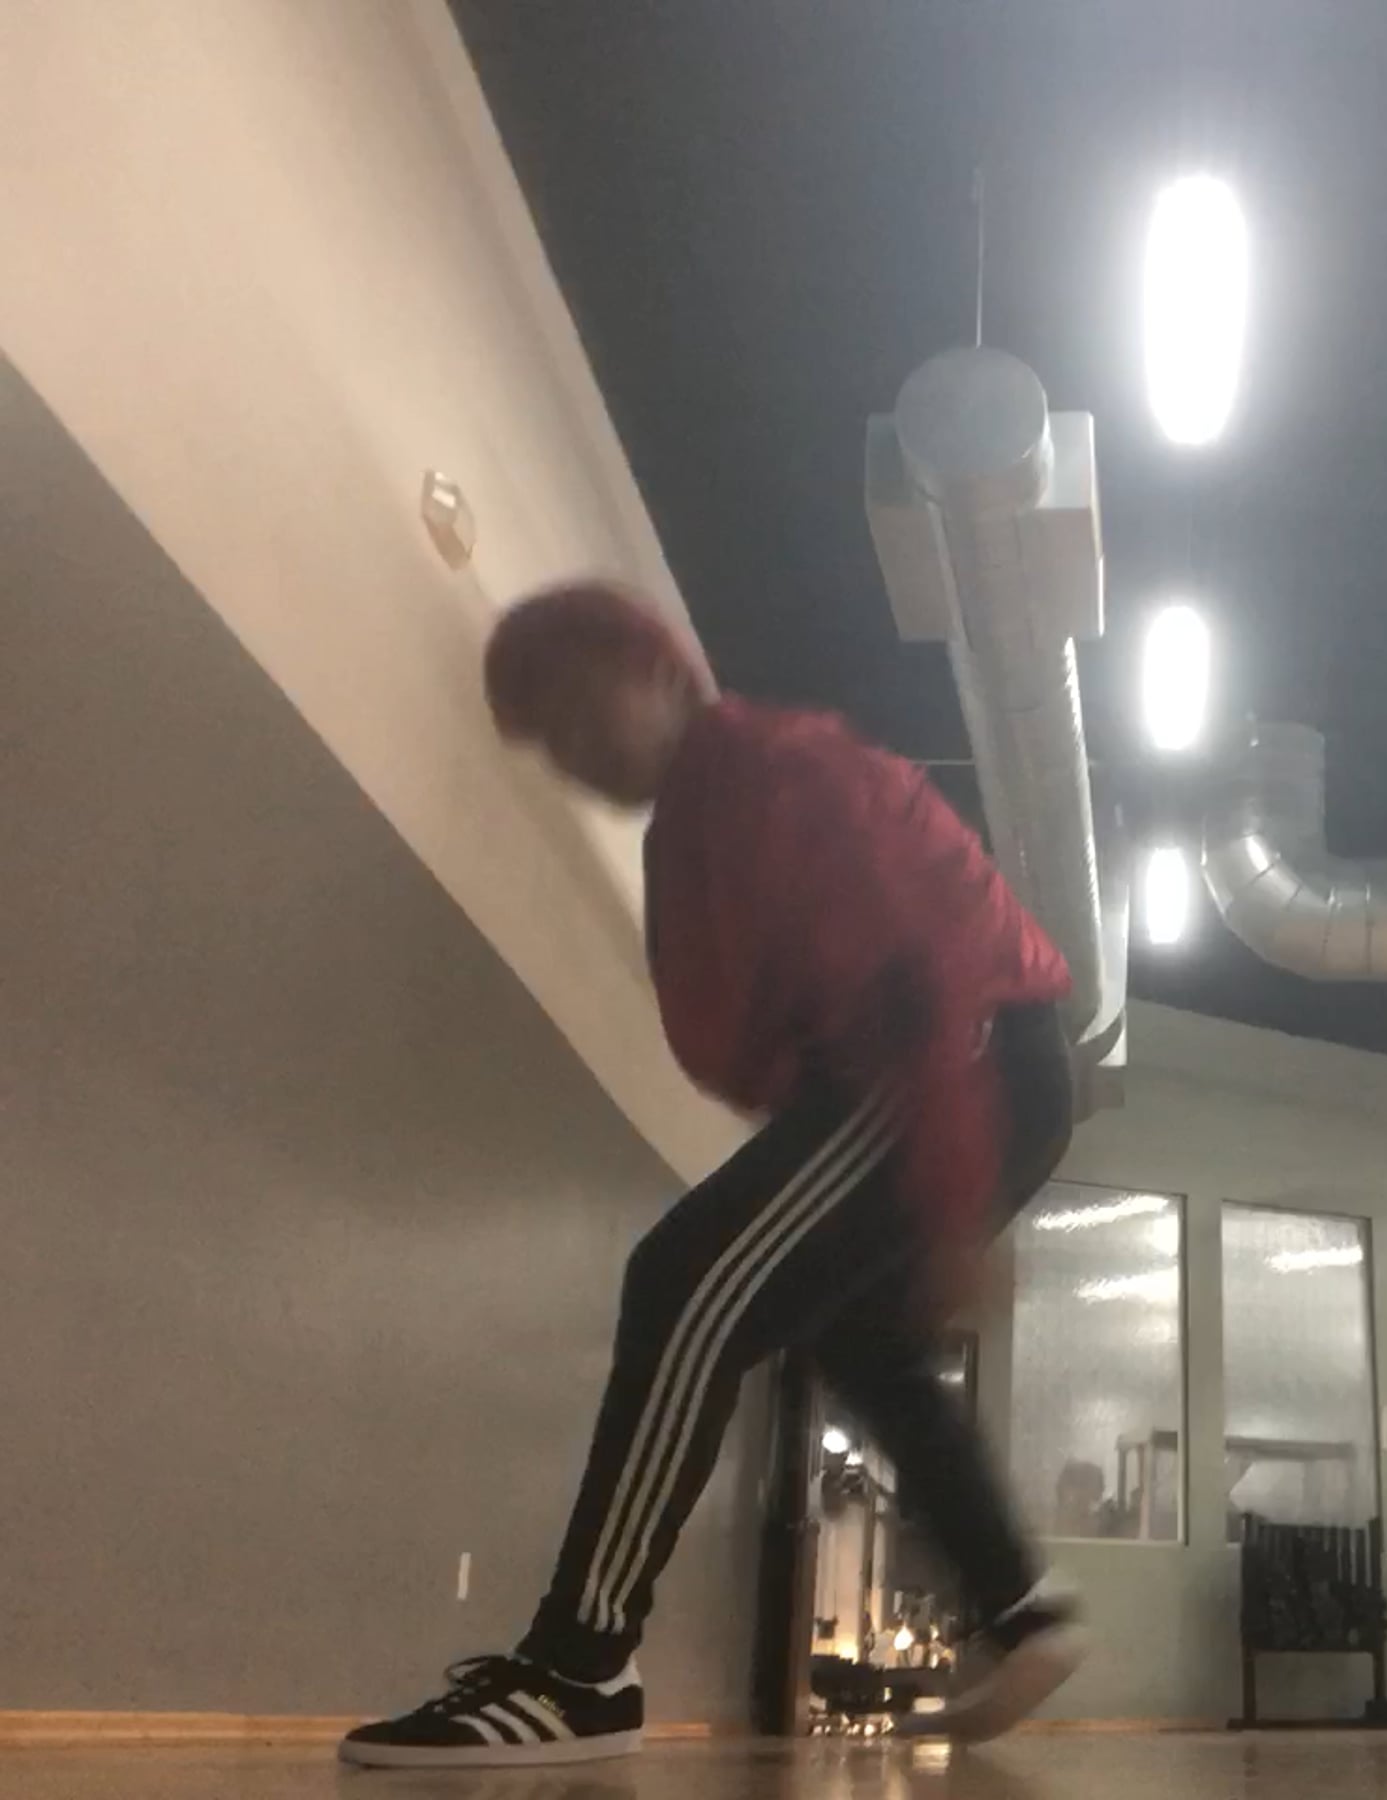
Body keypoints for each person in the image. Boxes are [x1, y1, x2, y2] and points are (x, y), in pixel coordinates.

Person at [341, 580, 1085, 1768]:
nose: (574, 756)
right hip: (948, 1064)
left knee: (683, 1280)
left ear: (658, 673)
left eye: (580, 712)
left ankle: (578, 1666)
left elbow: (919, 977)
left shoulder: (767, 773)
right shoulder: (694, 830)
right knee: (859, 1342)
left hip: (956, 1056)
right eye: (550, 744)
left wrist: (951, 1195)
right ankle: (1018, 1607)